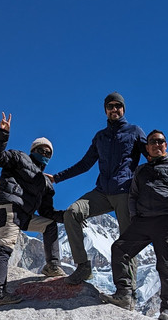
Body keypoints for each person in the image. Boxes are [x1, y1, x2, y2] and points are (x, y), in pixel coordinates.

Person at [101, 130, 168, 320]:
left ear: (166, 145)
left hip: (166, 221)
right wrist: (135, 217)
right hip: (143, 222)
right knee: (119, 249)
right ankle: (124, 294)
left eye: (160, 141)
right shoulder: (141, 171)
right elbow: (133, 196)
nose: (157, 144)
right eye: (153, 142)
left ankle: (167, 309)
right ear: (147, 147)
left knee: (166, 266)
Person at [48, 92, 146, 285]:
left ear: (123, 109)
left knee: (127, 241)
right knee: (72, 213)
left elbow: (151, 156)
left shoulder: (134, 131)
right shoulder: (100, 137)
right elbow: (85, 164)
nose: (114, 109)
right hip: (102, 192)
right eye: (110, 106)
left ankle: (128, 291)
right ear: (105, 111)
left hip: (125, 192)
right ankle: (83, 266)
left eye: (117, 106)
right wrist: (57, 177)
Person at [0, 112, 65, 307]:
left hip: (24, 215)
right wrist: (2, 134)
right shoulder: (18, 157)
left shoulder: (46, 184)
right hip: (10, 205)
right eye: (41, 150)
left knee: (49, 225)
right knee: (5, 245)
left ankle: (52, 265)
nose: (45, 154)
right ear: (33, 149)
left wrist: (69, 216)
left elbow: (47, 212)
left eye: (49, 153)